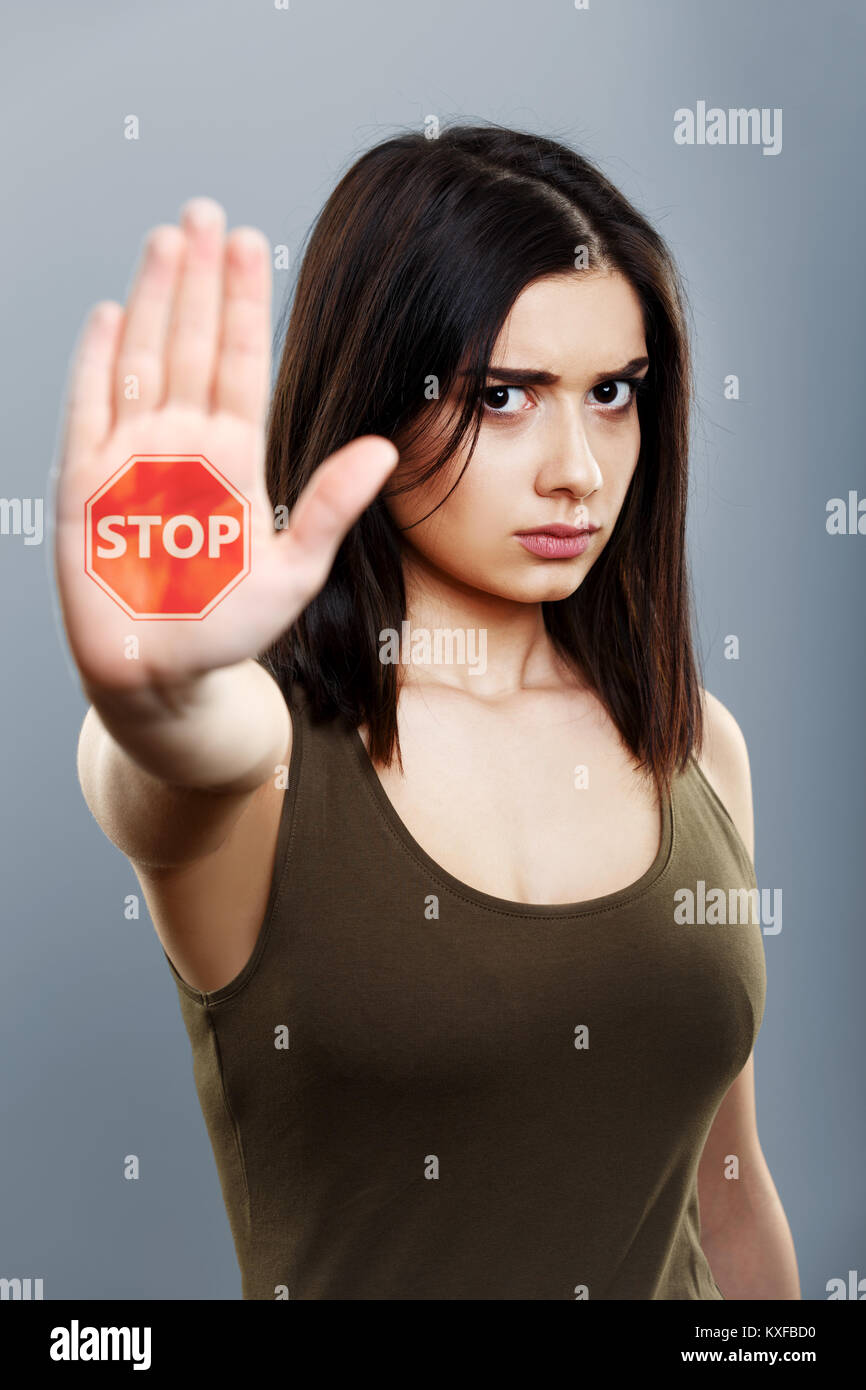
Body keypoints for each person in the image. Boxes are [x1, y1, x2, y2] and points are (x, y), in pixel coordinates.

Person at [54, 124, 800, 1300]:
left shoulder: (694, 743)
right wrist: (161, 687)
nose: (578, 469)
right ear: (368, 393)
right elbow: (166, 761)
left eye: (611, 393)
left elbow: (728, 1192)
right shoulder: (264, 755)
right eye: (502, 396)